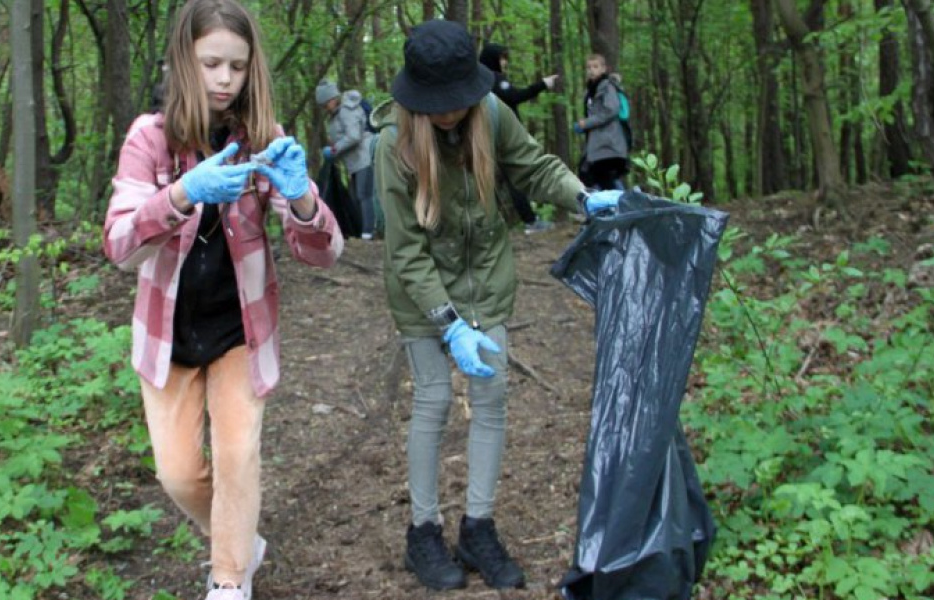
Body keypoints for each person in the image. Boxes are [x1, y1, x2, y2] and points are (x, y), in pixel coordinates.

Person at [101, 1, 344, 598]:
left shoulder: (265, 140)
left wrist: (303, 200)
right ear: (185, 61)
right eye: (211, 63)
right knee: (178, 473)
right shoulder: (148, 139)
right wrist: (182, 193)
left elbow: (324, 251)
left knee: (238, 456)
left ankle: (230, 578)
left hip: (241, 328)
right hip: (169, 335)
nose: (224, 79)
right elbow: (120, 244)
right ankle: (240, 541)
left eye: (236, 66)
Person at [375, 20, 620, 592]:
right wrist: (449, 324)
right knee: (434, 402)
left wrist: (582, 197)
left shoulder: (492, 114)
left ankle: (478, 527)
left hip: (486, 281)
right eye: (438, 105)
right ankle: (423, 532)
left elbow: (533, 167)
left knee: (491, 399)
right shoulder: (394, 143)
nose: (450, 113)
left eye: (457, 101)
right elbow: (406, 253)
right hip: (421, 293)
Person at [479, 43, 560, 234]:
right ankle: (529, 222)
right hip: (499, 138)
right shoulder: (494, 79)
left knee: (492, 179)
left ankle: (490, 223)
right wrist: (542, 84)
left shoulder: (481, 80)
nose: (505, 62)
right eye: (502, 58)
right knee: (513, 179)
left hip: (488, 137)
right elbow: (515, 96)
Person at [315, 80, 376, 240]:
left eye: (325, 104)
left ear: (333, 98)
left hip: (365, 157)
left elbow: (353, 136)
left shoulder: (346, 111)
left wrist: (335, 149)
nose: (325, 108)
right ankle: (363, 231)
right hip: (355, 161)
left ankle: (368, 233)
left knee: (364, 195)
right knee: (357, 195)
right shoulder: (336, 115)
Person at [573, 53, 629, 191]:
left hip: (608, 143)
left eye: (595, 67)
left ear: (603, 69)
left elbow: (611, 110)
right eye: (589, 67)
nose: (592, 70)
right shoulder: (591, 90)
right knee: (591, 176)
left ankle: (623, 204)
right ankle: (609, 207)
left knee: (605, 178)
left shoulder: (607, 86)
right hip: (597, 144)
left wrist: (587, 123)